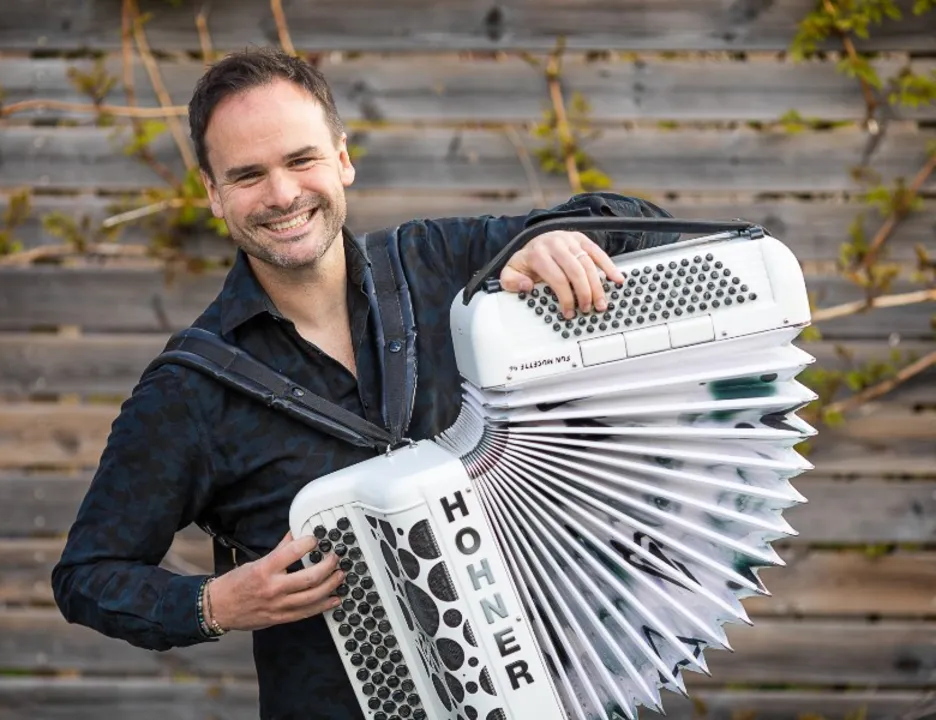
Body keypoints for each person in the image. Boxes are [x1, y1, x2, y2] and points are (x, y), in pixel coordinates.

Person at [51, 47, 680, 719]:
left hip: (554, 689)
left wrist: (559, 236)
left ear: (343, 158)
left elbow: (647, 231)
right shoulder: (190, 392)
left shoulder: (443, 265)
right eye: (248, 175)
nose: (282, 195)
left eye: (301, 160)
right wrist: (213, 604)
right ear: (213, 193)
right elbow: (88, 576)